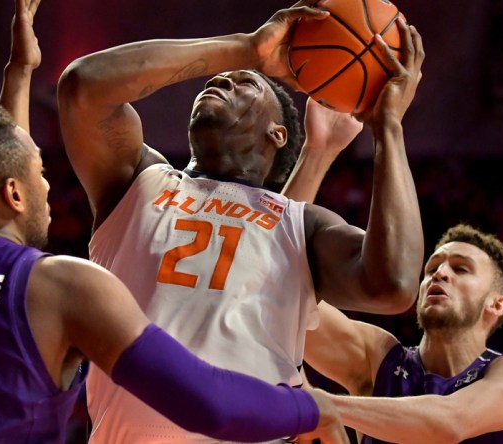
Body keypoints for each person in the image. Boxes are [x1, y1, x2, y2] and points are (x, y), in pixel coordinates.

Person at [0, 2, 353, 443]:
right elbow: (206, 401)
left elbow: (0, 176)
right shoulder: (60, 288)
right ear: (15, 193)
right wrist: (312, 405)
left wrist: (19, 74)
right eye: (41, 173)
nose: (50, 186)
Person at [57, 0, 425, 441]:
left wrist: (388, 128)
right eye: (219, 76)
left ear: (277, 133)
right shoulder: (136, 183)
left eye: (244, 82)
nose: (220, 77)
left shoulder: (301, 225)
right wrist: (246, 51)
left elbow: (395, 284)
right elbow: (83, 87)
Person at [300, 224, 503, 443]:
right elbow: (292, 305)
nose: (439, 274)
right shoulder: (378, 358)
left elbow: (451, 422)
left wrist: (316, 404)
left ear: (496, 304)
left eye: (461, 269)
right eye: (431, 269)